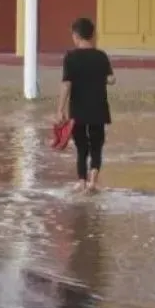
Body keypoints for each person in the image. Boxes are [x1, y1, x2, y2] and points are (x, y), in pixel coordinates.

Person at [57, 17, 115, 193]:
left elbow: (66, 84)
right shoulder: (101, 56)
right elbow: (112, 79)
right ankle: (93, 181)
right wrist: (101, 78)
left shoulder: (71, 57)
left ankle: (81, 181)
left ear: (76, 35)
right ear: (92, 35)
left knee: (82, 146)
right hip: (98, 109)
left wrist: (60, 109)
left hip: (79, 111)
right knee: (97, 145)